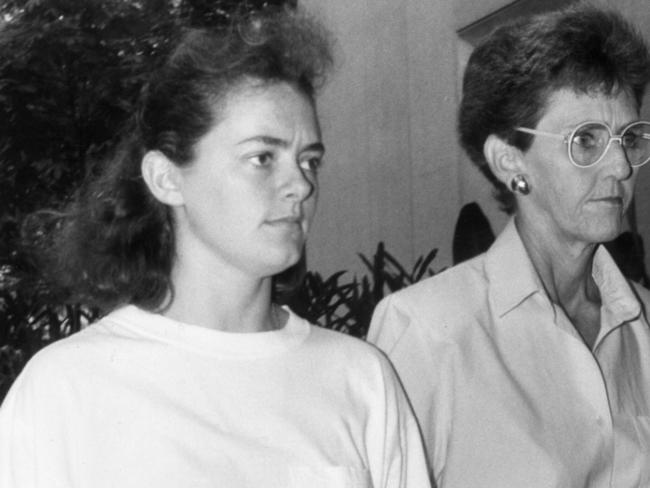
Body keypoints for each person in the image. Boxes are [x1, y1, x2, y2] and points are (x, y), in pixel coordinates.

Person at [0, 7, 430, 488]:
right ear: (166, 179)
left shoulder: (361, 378)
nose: (301, 186)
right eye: (262, 157)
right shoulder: (65, 389)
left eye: (309, 161)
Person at [368, 4, 650, 487]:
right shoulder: (428, 332)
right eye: (586, 140)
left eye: (629, 138)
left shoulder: (641, 321)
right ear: (508, 161)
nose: (621, 167)